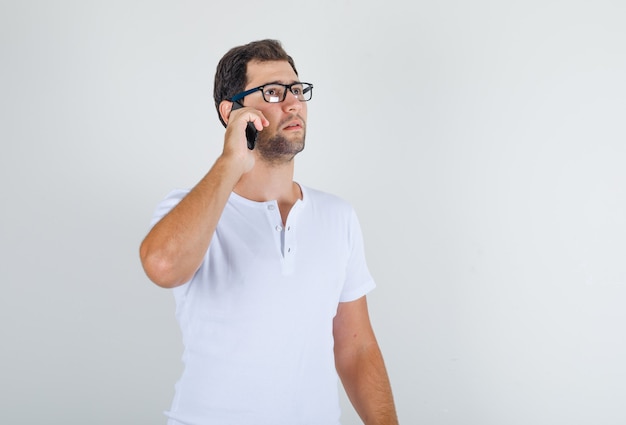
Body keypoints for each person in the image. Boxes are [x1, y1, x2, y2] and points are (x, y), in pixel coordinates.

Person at [140, 39, 398, 425]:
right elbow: (162, 266)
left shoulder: (337, 216)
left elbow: (356, 349)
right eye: (273, 92)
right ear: (231, 112)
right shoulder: (188, 209)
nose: (292, 103)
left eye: (297, 90)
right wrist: (232, 160)